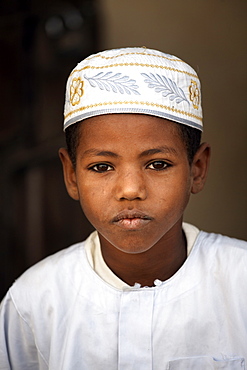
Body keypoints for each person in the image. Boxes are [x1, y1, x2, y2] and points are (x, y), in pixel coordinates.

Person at [0, 47, 246, 369]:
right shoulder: (35, 301)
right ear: (71, 174)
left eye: (158, 164)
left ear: (197, 168)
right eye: (102, 167)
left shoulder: (240, 284)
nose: (130, 190)